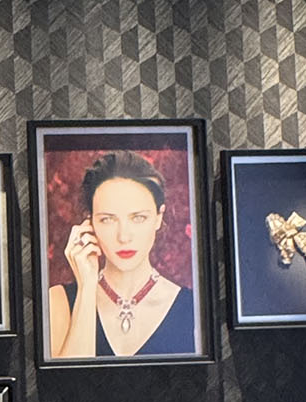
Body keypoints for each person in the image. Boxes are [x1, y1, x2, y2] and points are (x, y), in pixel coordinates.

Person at [47, 148, 197, 358]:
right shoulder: (58, 301)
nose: (124, 236)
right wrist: (87, 288)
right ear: (89, 223)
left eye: (138, 218)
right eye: (107, 219)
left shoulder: (193, 307)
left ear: (158, 217)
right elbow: (69, 378)